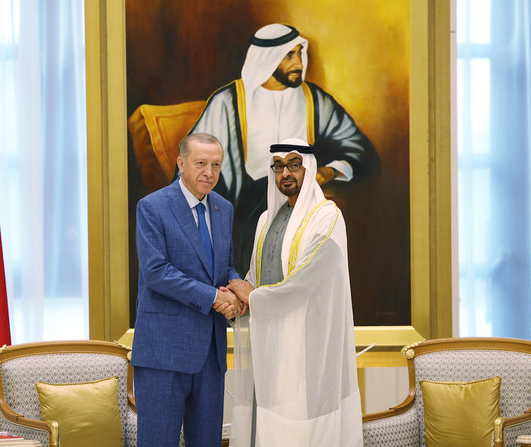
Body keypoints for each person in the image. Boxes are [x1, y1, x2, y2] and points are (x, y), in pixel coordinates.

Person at [190, 23, 379, 275]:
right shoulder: (228, 101)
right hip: (242, 205)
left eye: (300, 53)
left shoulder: (314, 100)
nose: (298, 62)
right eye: (289, 55)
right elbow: (195, 163)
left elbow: (359, 149)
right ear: (267, 59)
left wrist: (328, 172)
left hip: (299, 203)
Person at [227, 138, 363, 446]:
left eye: (293, 165)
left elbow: (307, 280)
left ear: (309, 168)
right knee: (269, 426)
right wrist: (237, 298)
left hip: (307, 347)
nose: (285, 174)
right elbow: (255, 275)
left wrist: (253, 297)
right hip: (269, 345)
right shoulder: (266, 219)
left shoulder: (327, 216)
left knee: (303, 429)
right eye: (278, 167)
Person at [131, 132, 245, 446]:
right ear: (181, 163)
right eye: (201, 163)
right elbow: (156, 272)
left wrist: (237, 291)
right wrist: (214, 298)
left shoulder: (224, 209)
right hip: (163, 354)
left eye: (216, 165)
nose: (209, 172)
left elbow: (225, 267)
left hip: (211, 354)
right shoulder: (153, 207)